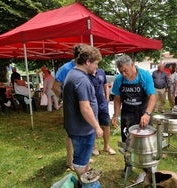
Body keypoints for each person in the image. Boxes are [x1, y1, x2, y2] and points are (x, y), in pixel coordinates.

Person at [63, 43, 103, 183]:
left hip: (77, 127)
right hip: (82, 130)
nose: (96, 67)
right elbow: (85, 108)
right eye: (96, 63)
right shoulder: (81, 79)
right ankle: (85, 183)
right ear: (87, 62)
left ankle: (84, 179)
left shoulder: (72, 74)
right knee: (80, 161)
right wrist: (97, 127)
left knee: (82, 158)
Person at [111, 54, 156, 176]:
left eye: (125, 70)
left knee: (145, 141)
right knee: (127, 141)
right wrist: (116, 115)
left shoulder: (144, 76)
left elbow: (152, 96)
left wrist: (147, 114)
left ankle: (146, 166)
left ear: (132, 65)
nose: (124, 74)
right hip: (127, 114)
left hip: (143, 112)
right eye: (121, 71)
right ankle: (128, 165)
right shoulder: (119, 79)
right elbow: (117, 98)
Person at [89, 68, 116, 156]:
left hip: (102, 103)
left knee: (106, 123)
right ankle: (94, 147)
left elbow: (106, 85)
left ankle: (106, 146)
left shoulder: (101, 72)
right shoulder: (86, 72)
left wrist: (107, 98)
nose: (96, 65)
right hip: (91, 104)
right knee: (93, 124)